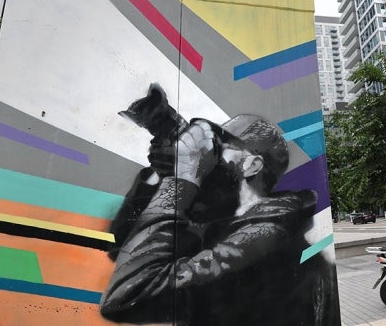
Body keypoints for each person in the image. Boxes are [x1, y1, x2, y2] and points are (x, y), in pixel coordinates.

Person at [100, 84, 339, 325]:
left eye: (220, 146)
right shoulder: (227, 226)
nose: (209, 154)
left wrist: (180, 179)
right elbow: (123, 247)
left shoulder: (264, 237)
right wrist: (162, 173)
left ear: (251, 165)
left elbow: (127, 295)